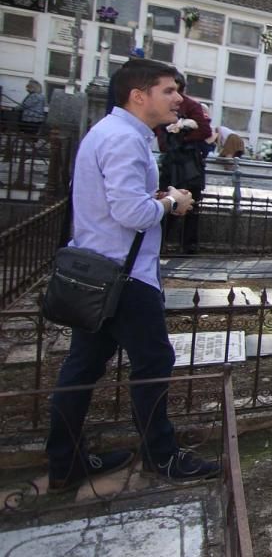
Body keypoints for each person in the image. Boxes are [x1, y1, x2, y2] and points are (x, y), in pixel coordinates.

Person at [45, 58, 219, 489]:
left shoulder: (115, 132)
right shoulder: (123, 139)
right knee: (154, 362)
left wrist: (155, 197)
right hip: (123, 278)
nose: (179, 99)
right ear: (138, 96)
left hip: (103, 270)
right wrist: (170, 203)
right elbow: (129, 212)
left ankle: (65, 464)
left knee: (82, 368)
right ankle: (163, 458)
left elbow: (117, 201)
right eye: (168, 90)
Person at [156, 75, 212, 254]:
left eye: (176, 90)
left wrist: (183, 137)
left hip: (189, 162)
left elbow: (204, 130)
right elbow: (161, 136)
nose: (174, 96)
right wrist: (170, 140)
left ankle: (189, 244)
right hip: (172, 161)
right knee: (167, 199)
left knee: (192, 204)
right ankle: (160, 240)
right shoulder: (161, 107)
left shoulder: (192, 106)